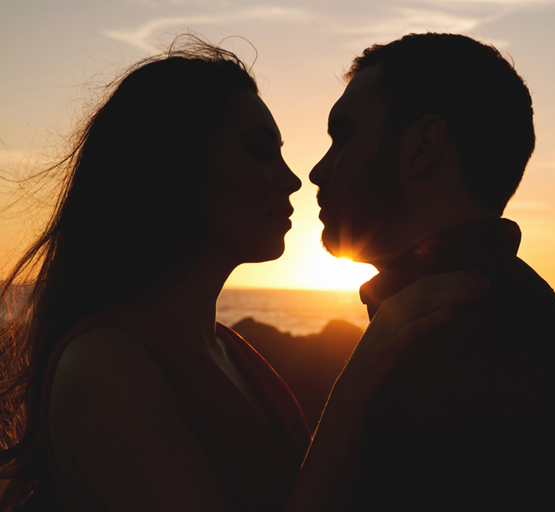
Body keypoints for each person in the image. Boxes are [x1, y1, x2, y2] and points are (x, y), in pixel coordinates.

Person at [0, 37, 489, 512]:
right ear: (171, 171)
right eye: (259, 151)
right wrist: (357, 383)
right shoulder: (105, 365)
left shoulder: (229, 350)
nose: (294, 178)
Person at [309, 32, 555, 511]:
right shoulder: (520, 315)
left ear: (422, 146)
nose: (317, 170)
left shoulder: (462, 336)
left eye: (343, 137)